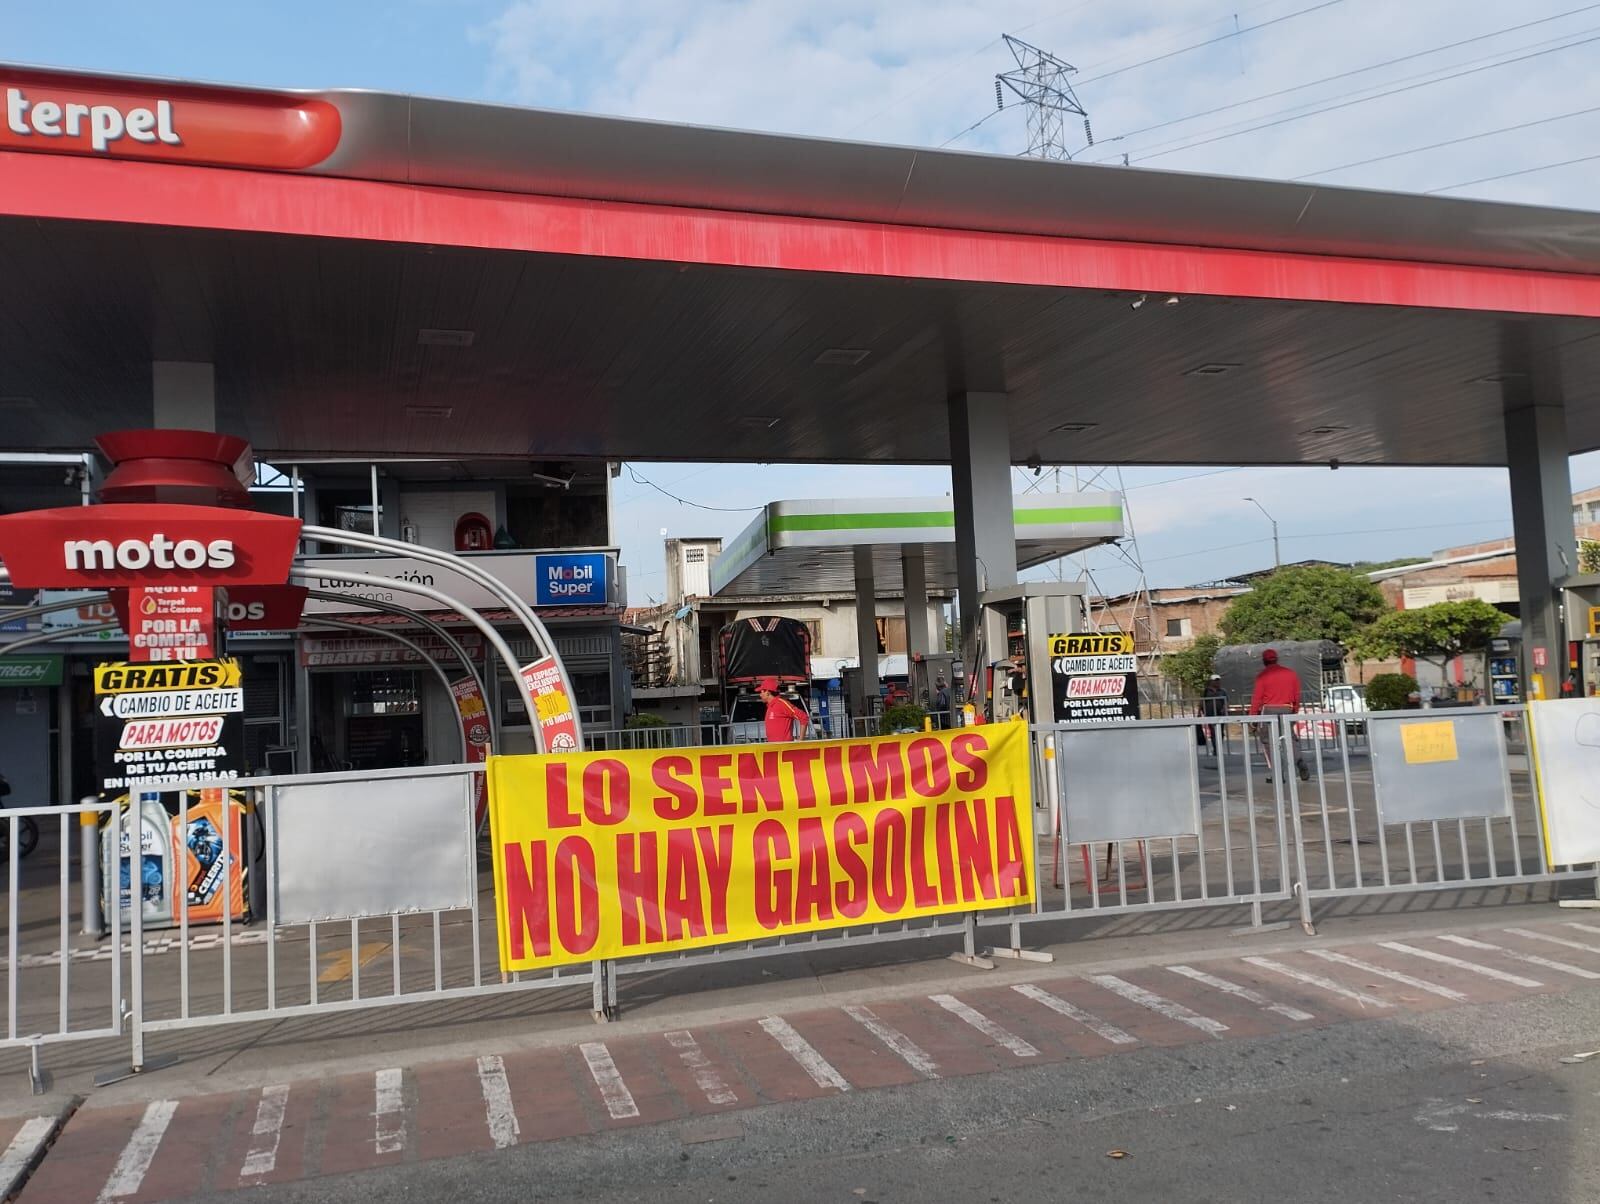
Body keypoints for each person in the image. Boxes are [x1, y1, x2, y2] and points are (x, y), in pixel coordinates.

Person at [1247, 649, 1308, 782]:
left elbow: (1257, 699)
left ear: (1264, 661)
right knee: (1290, 739)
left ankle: (1277, 774)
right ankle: (1299, 761)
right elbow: (1297, 695)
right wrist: (1294, 712)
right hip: (1287, 709)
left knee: (1268, 741)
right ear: (1277, 659)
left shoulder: (1262, 676)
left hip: (1269, 710)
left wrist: (1253, 718)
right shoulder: (1291, 674)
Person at [757, 677, 808, 743]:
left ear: (767, 692)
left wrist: (800, 741)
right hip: (773, 748)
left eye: (761, 692)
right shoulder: (770, 706)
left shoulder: (781, 703)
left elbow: (803, 717)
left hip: (785, 749)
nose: (760, 695)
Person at [1200, 674, 1228, 755]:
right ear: (1211, 681)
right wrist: (1201, 711)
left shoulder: (1223, 691)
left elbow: (1226, 702)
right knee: (1213, 732)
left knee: (1221, 732)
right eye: (1215, 680)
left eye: (1218, 680)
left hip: (1220, 714)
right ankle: (1216, 749)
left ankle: (1219, 748)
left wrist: (1224, 709)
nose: (1217, 682)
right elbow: (1202, 702)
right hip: (1210, 714)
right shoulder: (1206, 691)